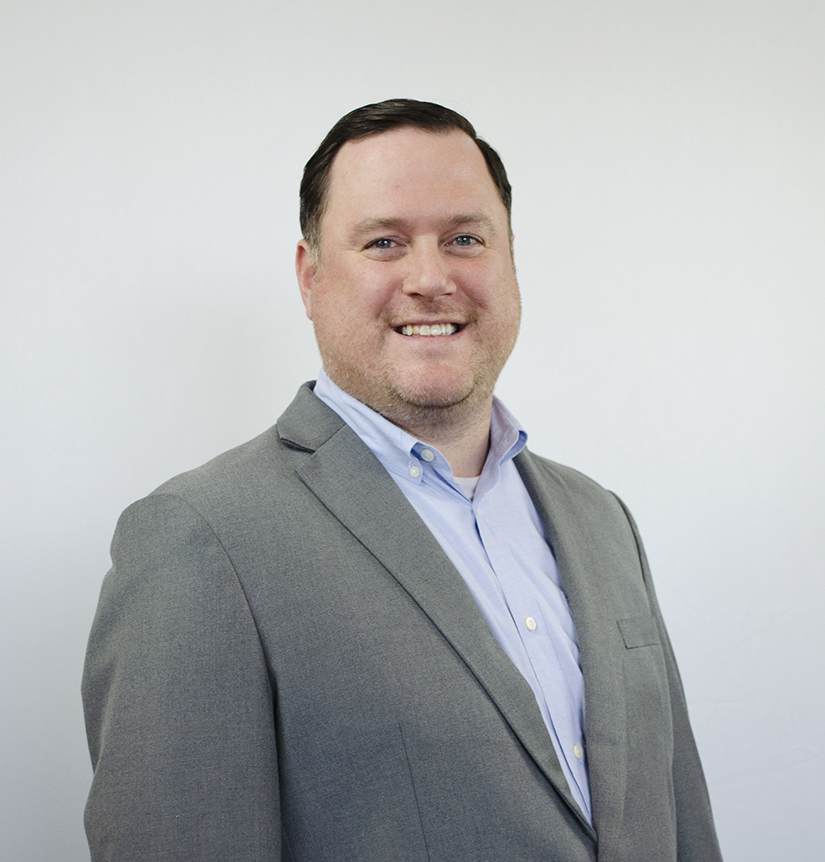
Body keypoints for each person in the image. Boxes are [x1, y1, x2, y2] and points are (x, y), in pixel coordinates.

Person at [82, 99, 723, 862]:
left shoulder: (599, 518)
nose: (430, 278)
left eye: (464, 239)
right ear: (309, 277)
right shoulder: (200, 540)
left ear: (510, 263)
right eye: (384, 242)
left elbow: (682, 825)